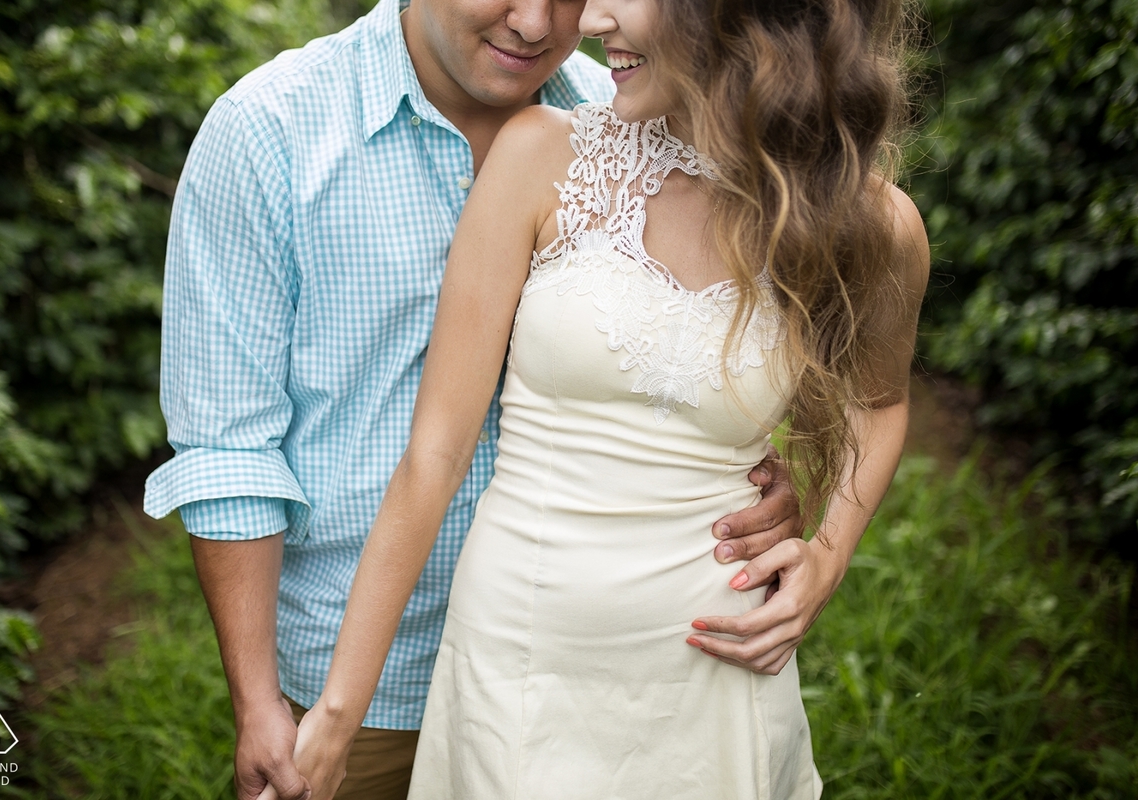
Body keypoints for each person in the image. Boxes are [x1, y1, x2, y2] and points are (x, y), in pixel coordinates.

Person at [143, 1, 804, 798]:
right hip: (363, 684)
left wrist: (757, 471)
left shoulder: (632, 109)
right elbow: (228, 449)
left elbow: (716, 336)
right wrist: (258, 703)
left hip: (594, 676)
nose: (534, 22)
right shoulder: (268, 131)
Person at [289, 0, 930, 797]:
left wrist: (827, 557)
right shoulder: (541, 154)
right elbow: (436, 454)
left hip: (714, 666)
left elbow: (879, 402)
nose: (593, 18)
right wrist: (337, 714)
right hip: (519, 653)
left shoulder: (870, 225)